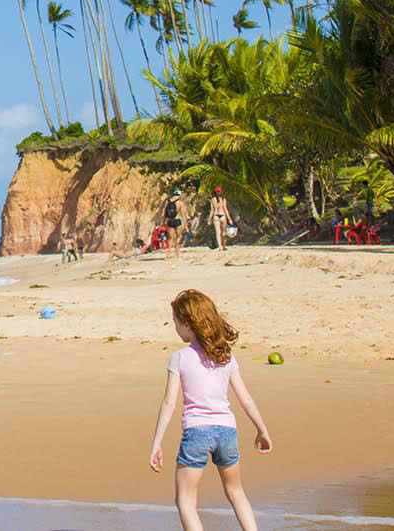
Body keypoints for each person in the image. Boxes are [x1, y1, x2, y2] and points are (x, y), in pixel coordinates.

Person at [148, 289, 272, 531]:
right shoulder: (225, 356)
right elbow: (245, 398)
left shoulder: (180, 358)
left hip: (197, 433)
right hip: (227, 432)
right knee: (236, 493)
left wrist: (156, 443)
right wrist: (262, 429)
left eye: (175, 322)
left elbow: (169, 403)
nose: (174, 327)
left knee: (185, 501)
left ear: (187, 324)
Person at [210, 187, 234, 251]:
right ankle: (223, 246)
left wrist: (209, 219)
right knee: (223, 232)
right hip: (222, 215)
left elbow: (212, 211)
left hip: (215, 216)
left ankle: (220, 246)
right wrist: (230, 219)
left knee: (218, 232)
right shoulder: (223, 199)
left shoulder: (212, 200)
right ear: (221, 192)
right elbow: (226, 210)